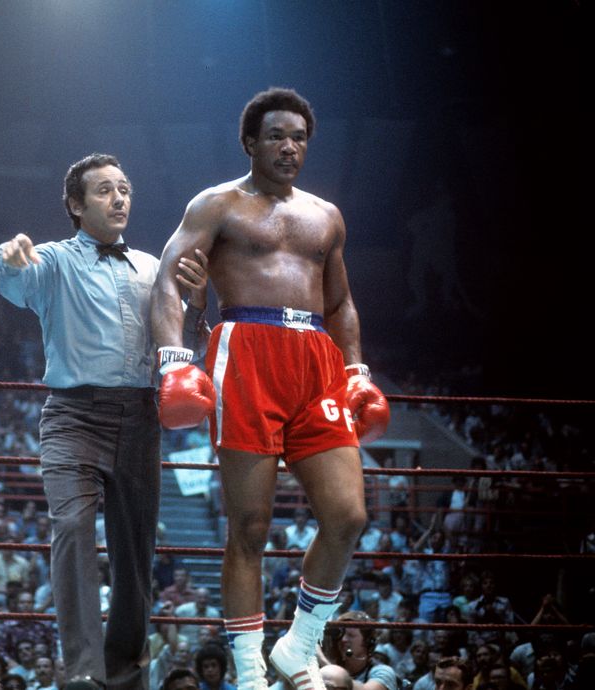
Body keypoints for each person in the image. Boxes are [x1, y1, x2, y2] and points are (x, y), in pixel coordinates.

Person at [151, 87, 389, 690]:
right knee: (250, 526)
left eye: (300, 137)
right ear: (251, 142)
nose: (290, 146)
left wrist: (357, 370)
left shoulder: (326, 216)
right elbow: (167, 281)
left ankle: (301, 642)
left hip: (315, 358)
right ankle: (251, 670)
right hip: (245, 350)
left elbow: (340, 302)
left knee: (347, 516)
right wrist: (174, 360)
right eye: (278, 135)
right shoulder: (216, 205)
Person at [0, 153, 207, 690]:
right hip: (72, 418)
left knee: (136, 556)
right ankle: (84, 674)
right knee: (71, 529)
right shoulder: (53, 262)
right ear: (75, 204)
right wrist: (9, 256)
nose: (119, 199)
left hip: (139, 418)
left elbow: (181, 348)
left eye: (125, 189)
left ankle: (125, 673)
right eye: (105, 190)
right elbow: (7, 276)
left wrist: (197, 302)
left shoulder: (155, 268)